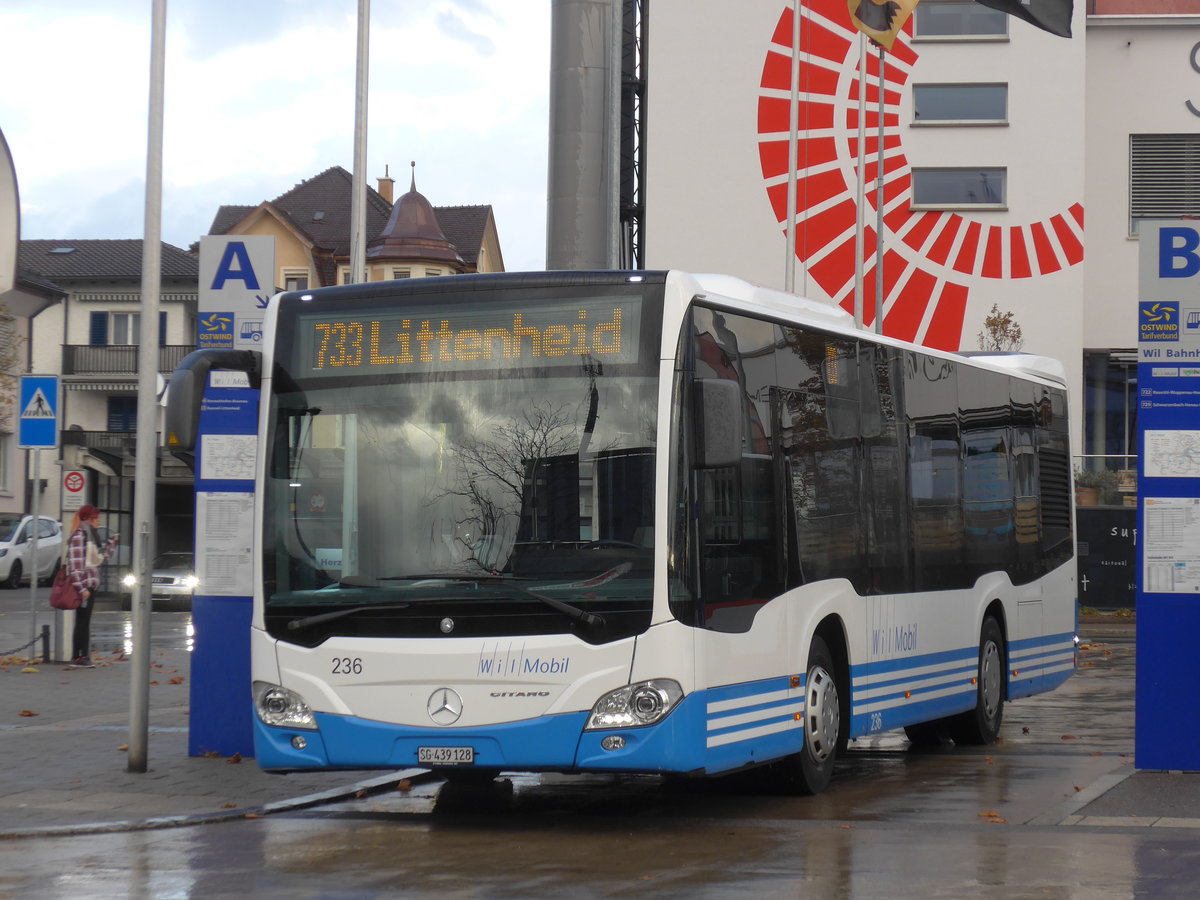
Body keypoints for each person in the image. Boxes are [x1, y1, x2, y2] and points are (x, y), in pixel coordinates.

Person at [65, 505, 118, 668]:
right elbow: (74, 566)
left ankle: (83, 656)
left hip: (90, 585)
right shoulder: (79, 536)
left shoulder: (90, 536)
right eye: (96, 518)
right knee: (82, 621)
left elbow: (100, 560)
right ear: (88, 519)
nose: (99, 521)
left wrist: (111, 543)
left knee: (84, 621)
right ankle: (78, 657)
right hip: (84, 586)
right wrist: (82, 589)